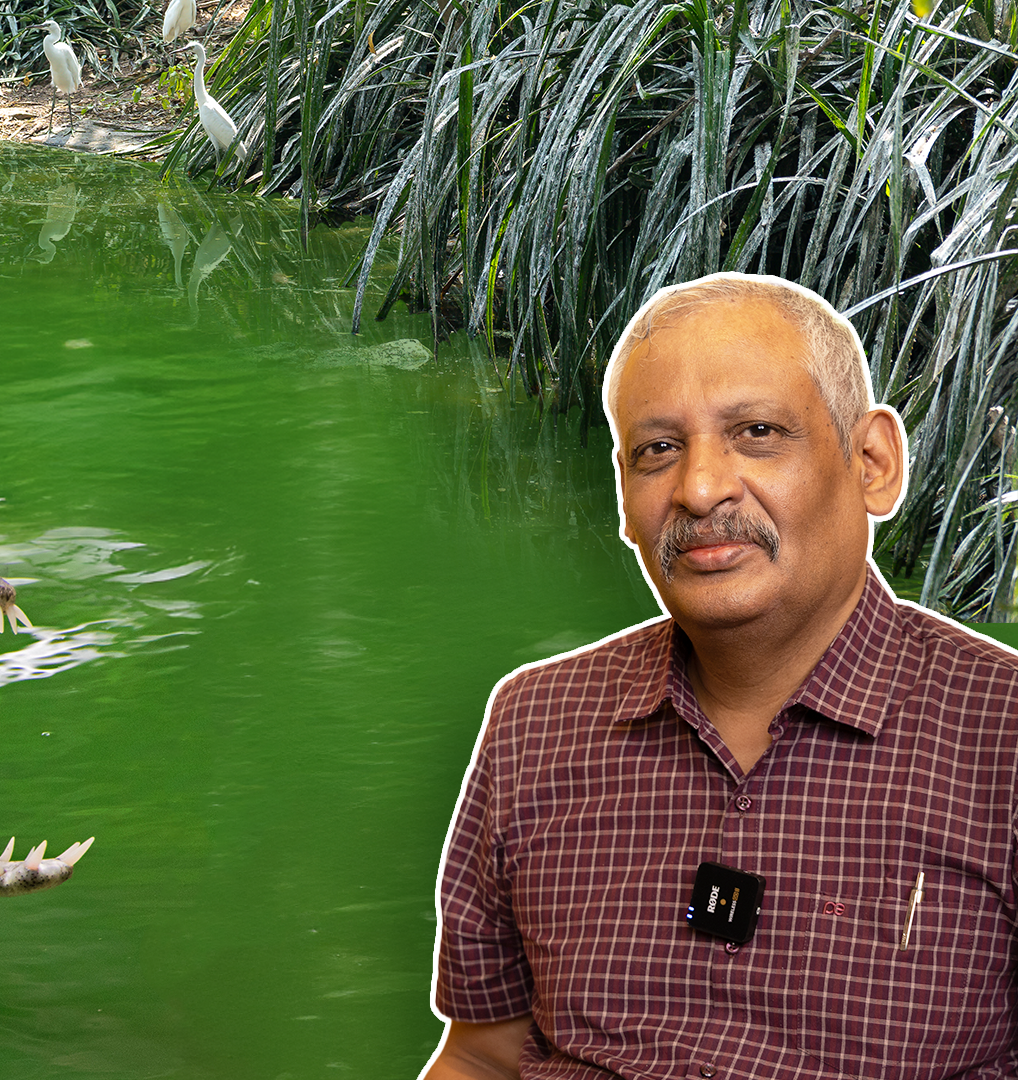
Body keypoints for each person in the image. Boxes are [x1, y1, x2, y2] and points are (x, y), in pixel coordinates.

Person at [423, 273, 1018, 1080]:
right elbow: (484, 1057)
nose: (700, 489)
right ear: (626, 500)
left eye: (759, 431)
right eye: (658, 450)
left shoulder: (1000, 739)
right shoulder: (535, 722)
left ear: (872, 462)